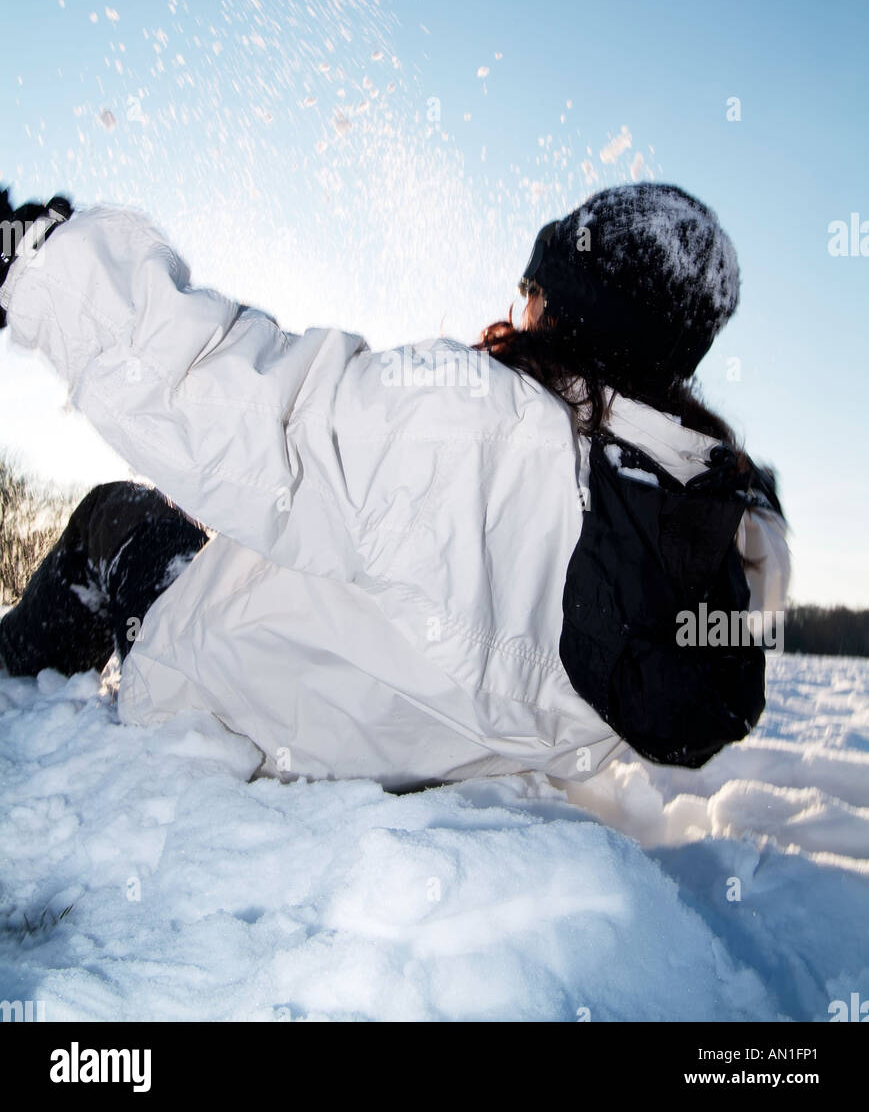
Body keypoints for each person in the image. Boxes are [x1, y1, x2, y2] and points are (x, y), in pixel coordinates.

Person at [0, 182, 789, 789]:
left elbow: (245, 411)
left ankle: (11, 691)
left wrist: (36, 260)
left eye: (535, 288)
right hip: (390, 759)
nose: (521, 304)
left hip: (224, 714)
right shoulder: (703, 539)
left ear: (568, 308)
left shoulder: (483, 424)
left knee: (121, 513)